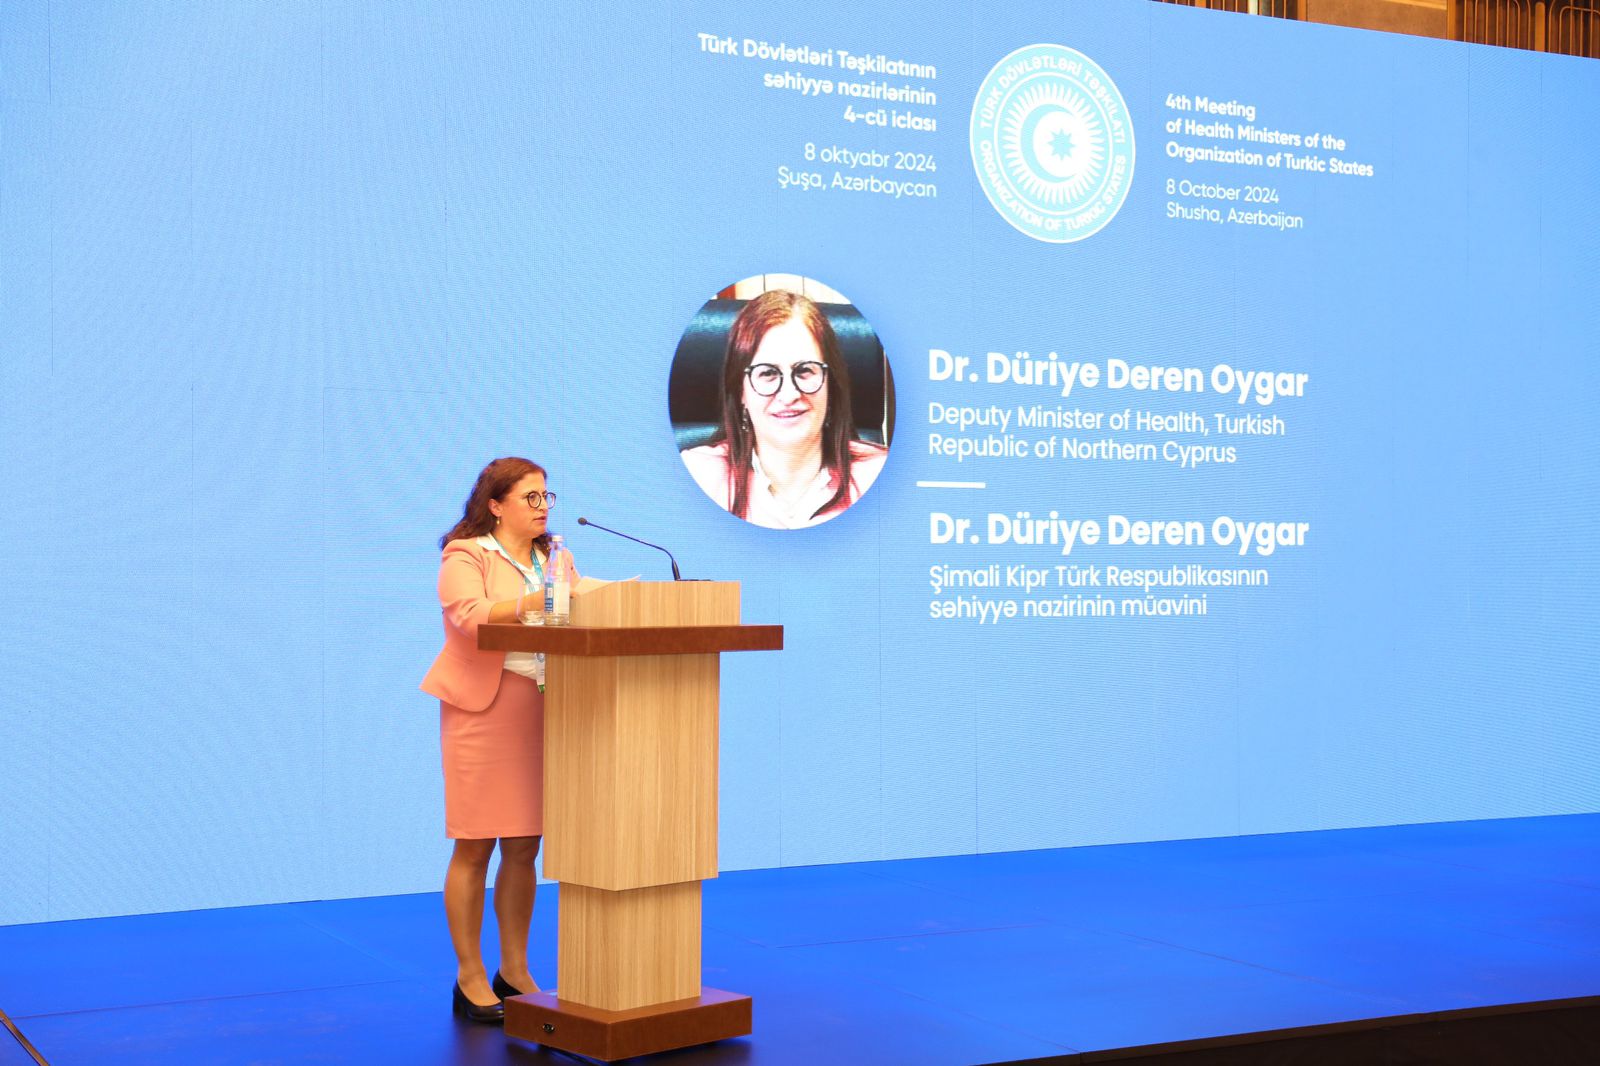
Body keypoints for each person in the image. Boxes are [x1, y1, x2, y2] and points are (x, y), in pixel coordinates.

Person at [420, 457, 577, 1024]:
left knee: (523, 846)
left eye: (546, 497)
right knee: (475, 845)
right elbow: (472, 617)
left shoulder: (554, 557)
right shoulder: (466, 555)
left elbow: (571, 612)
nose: (542, 508)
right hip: (483, 713)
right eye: (531, 498)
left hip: (541, 709)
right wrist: (539, 602)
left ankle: (515, 970)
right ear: (496, 504)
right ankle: (469, 976)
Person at [680, 290, 888, 529]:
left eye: (804, 371)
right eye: (767, 373)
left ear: (831, 385)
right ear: (740, 392)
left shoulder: (882, 477)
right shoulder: (695, 477)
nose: (789, 394)